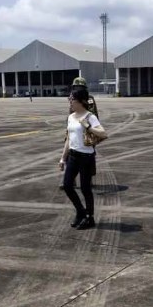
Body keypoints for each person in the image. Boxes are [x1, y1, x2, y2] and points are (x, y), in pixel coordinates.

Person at [59, 89, 107, 229]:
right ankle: (80, 211)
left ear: (80, 101)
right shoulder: (70, 117)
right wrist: (62, 158)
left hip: (86, 157)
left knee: (86, 189)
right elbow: (68, 139)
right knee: (68, 186)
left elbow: (103, 133)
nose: (69, 101)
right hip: (73, 156)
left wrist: (88, 126)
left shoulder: (90, 116)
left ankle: (89, 218)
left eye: (72, 99)